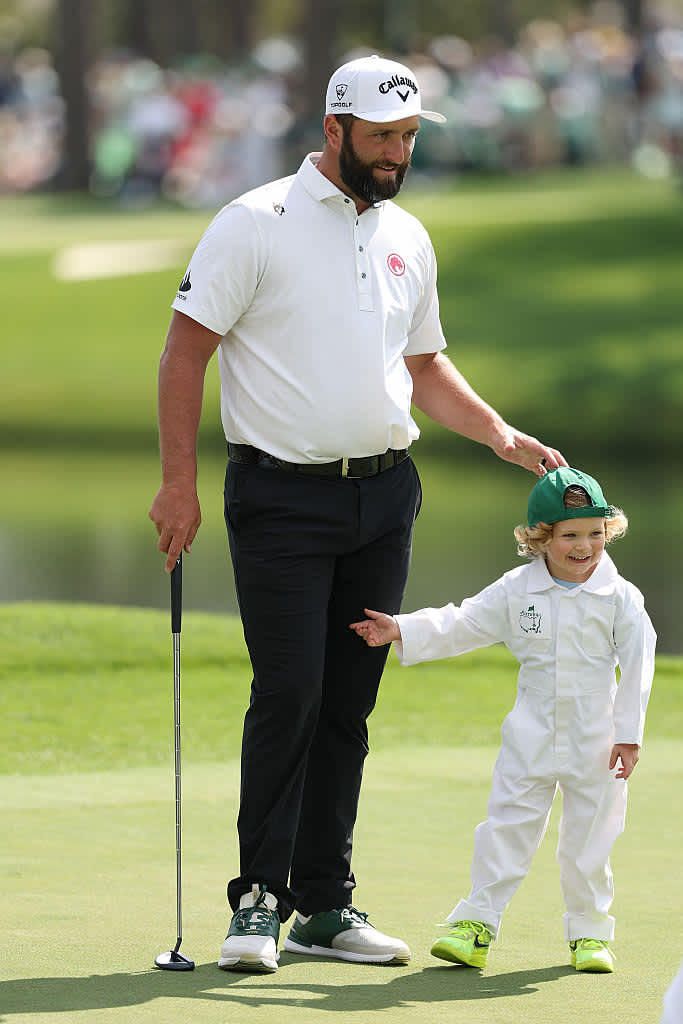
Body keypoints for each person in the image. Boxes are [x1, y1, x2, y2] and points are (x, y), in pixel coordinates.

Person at [148, 52, 566, 974]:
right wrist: (178, 481)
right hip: (280, 498)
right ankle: (259, 901)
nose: (397, 153)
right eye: (381, 136)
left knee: (348, 704)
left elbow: (422, 365)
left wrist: (499, 435)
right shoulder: (253, 222)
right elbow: (185, 353)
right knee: (289, 693)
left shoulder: (406, 233)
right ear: (333, 127)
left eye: (409, 136)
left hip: (384, 496)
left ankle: (324, 905)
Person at [351, 467, 656, 973]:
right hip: (530, 734)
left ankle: (589, 933)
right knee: (506, 827)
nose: (584, 547)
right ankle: (476, 925)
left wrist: (628, 736)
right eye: (570, 535)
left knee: (591, 838)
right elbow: (464, 621)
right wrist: (401, 628)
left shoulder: (621, 596)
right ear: (541, 538)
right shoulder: (517, 590)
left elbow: (639, 664)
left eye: (595, 533)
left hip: (597, 739)